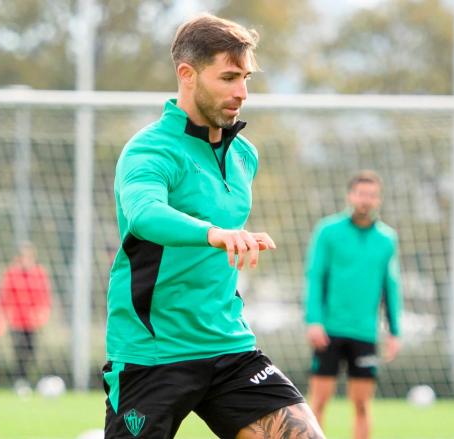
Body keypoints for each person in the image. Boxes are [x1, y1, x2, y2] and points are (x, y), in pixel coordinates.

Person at [103, 13, 324, 439]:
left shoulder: (244, 155)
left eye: (245, 78)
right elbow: (144, 214)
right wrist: (214, 234)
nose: (241, 92)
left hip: (228, 346)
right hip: (153, 353)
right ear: (187, 74)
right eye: (227, 77)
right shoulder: (149, 151)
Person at [303, 170, 402, 439]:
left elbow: (390, 287)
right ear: (350, 196)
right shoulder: (328, 231)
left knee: (361, 405)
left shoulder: (387, 239)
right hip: (329, 330)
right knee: (318, 403)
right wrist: (314, 320)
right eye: (361, 194)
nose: (365, 200)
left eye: (371, 195)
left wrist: (395, 331)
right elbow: (315, 277)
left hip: (364, 332)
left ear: (378, 199)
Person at [0, 242, 51, 390]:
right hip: (16, 321)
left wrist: (43, 314)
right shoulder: (11, 274)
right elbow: (3, 297)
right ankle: (19, 381)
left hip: (32, 323)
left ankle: (26, 380)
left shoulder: (39, 274)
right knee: (19, 350)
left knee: (30, 351)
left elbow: (45, 298)